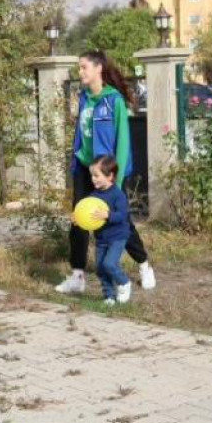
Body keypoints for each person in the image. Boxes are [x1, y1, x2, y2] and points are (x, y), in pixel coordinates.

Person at [55, 50, 157, 296]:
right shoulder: (83, 98)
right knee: (78, 220)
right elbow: (81, 135)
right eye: (79, 68)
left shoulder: (114, 101)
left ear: (98, 68)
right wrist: (75, 163)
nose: (80, 72)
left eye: (83, 67)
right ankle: (77, 276)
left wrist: (116, 179)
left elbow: (123, 142)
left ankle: (144, 266)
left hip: (107, 173)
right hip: (84, 168)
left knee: (120, 222)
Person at [85, 155, 133, 305]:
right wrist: (78, 219)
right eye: (92, 175)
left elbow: (122, 215)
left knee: (109, 264)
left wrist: (108, 215)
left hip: (117, 237)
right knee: (100, 268)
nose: (93, 179)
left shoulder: (118, 195)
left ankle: (124, 283)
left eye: (96, 175)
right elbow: (88, 216)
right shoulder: (93, 196)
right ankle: (109, 296)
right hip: (101, 239)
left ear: (110, 176)